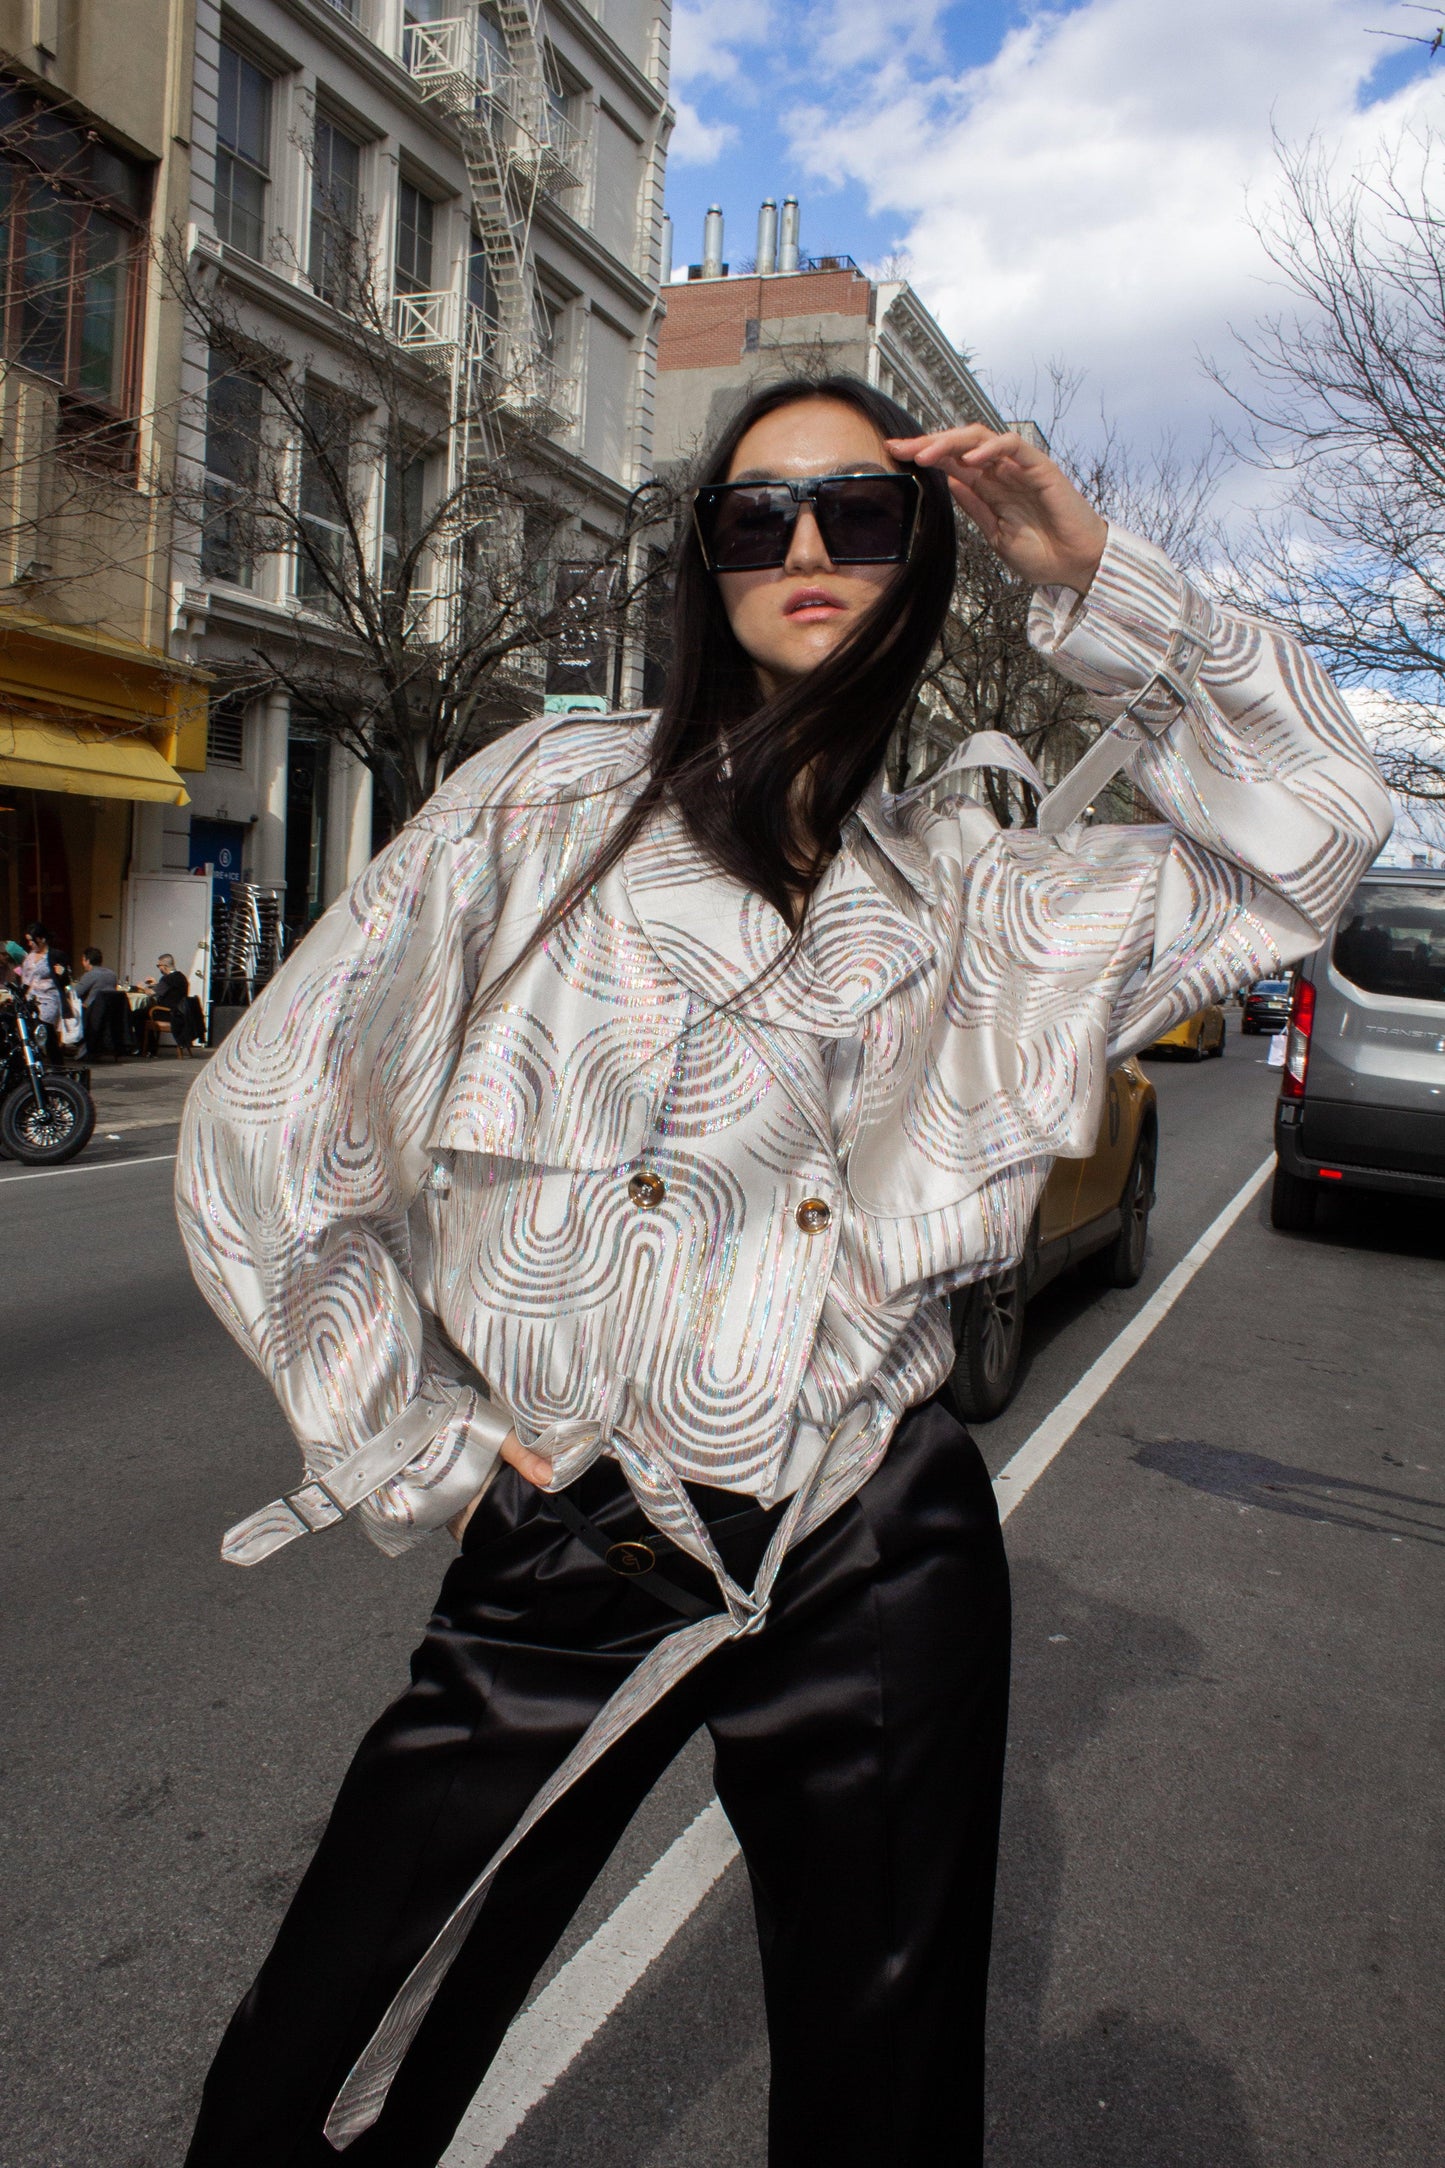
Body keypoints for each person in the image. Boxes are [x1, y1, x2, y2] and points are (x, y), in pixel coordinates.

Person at [174, 377, 1392, 2168]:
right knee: (312, 2069)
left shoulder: (987, 889)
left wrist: (1101, 579)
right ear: (705, 561)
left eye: (859, 511)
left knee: (882, 2107)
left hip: (868, 1541)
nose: (808, 546)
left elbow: (1319, 826)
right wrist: (428, 1455)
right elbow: (271, 1120)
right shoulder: (549, 801)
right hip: (573, 1525)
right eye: (759, 516)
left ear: (920, 559)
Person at [136, 953, 196, 1055]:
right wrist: (155, 984)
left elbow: (151, 993)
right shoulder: (181, 977)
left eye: (158, 966)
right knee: (144, 1012)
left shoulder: (167, 979)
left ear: (164, 966)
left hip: (167, 1013)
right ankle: (150, 1048)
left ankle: (145, 1048)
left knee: (136, 1015)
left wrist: (142, 987)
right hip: (179, 1013)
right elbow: (168, 990)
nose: (159, 968)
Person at [73, 947, 125, 1061]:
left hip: (93, 1011)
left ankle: (74, 1046)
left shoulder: (90, 975)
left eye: (83, 960)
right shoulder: (112, 974)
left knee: (69, 1010)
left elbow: (76, 992)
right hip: (111, 1012)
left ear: (87, 960)